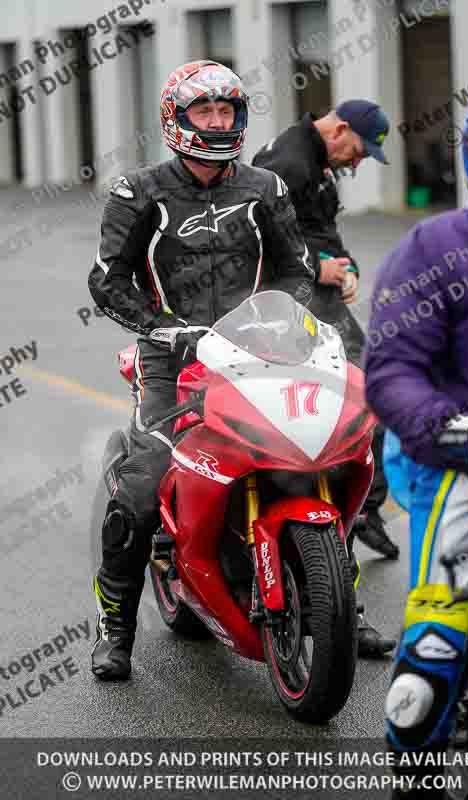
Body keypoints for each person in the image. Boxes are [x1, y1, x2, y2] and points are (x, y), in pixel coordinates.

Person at [87, 61, 316, 681]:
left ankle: (335, 601)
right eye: (203, 112)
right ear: (175, 120)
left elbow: (298, 269)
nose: (218, 123)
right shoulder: (138, 192)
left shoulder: (266, 187)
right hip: (171, 361)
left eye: (227, 112)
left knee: (318, 450)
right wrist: (160, 326)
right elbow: (107, 281)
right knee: (138, 490)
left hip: (257, 353)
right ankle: (116, 629)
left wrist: (287, 314)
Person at [364, 80, 468, 797]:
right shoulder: (432, 249)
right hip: (457, 462)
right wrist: (453, 431)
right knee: (435, 644)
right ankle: (416, 768)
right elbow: (391, 368)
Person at [253, 101, 398, 657]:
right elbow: (263, 240)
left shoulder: (316, 163)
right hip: (289, 305)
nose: (358, 161)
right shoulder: (287, 163)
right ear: (338, 130)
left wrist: (346, 268)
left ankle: (362, 511)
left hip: (318, 297)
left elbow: (321, 230)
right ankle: (356, 511)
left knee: (365, 398)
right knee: (362, 398)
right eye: (358, 150)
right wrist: (320, 270)